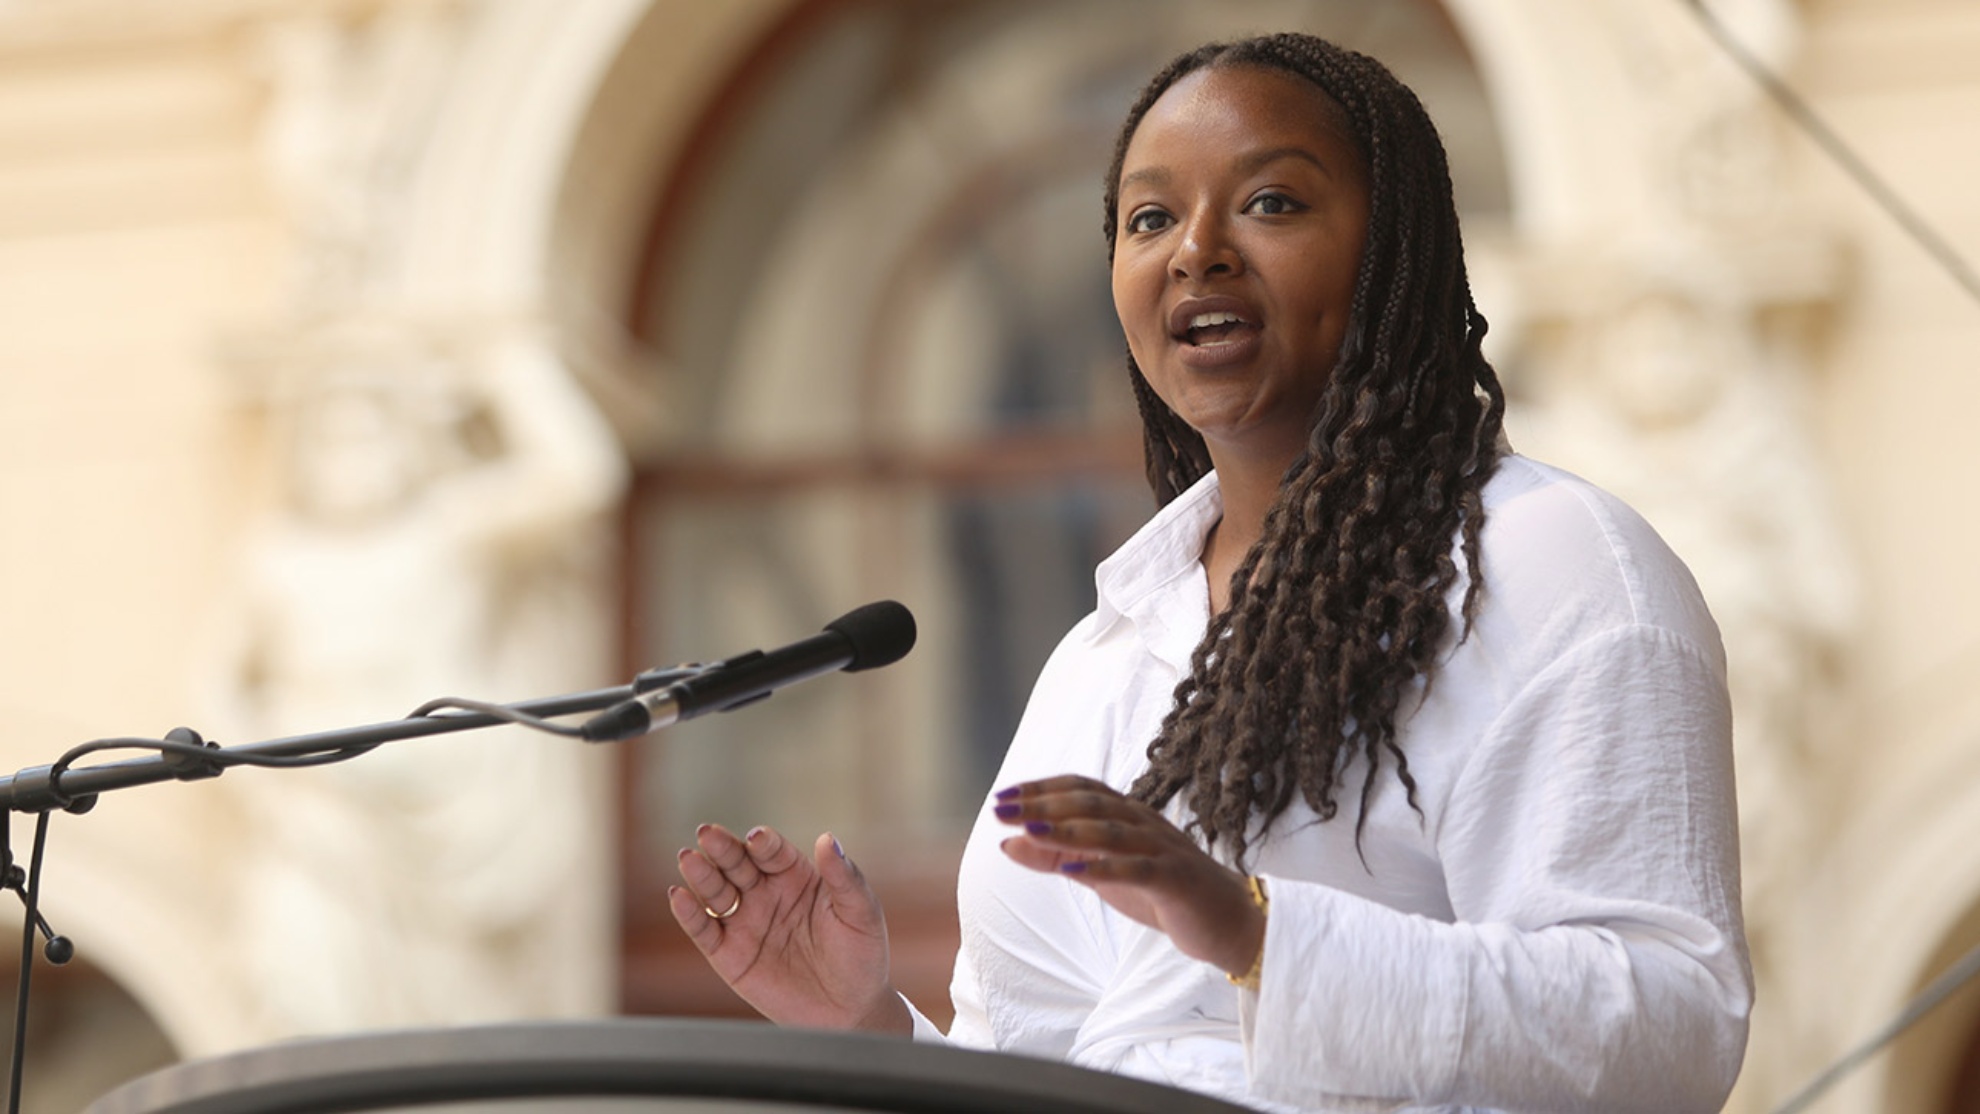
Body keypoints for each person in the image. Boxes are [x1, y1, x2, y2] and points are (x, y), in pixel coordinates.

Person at [667, 32, 1752, 1114]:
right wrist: (867, 1028)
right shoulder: (1103, 653)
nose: (1196, 250)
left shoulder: (1548, 561)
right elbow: (1052, 1067)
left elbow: (1670, 1026)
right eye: (1149, 218)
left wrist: (1258, 934)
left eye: (1272, 203)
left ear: (1392, 251)